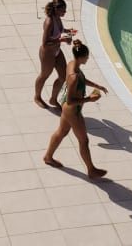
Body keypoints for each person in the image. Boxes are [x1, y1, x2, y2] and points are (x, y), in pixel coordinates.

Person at [43, 40, 108, 178]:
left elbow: (82, 80)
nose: (88, 58)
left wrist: (97, 85)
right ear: (81, 57)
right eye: (86, 57)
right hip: (73, 111)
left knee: (61, 132)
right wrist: (89, 99)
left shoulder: (72, 64)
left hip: (68, 109)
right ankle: (91, 169)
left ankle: (48, 157)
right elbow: (71, 100)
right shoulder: (74, 77)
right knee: (84, 141)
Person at [34, 0, 74, 108]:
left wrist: (67, 31)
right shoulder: (49, 22)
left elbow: (58, 30)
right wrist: (62, 40)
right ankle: (37, 97)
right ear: (56, 9)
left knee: (63, 76)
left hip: (57, 50)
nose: (65, 12)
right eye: (63, 10)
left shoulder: (57, 17)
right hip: (47, 54)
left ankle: (53, 99)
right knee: (44, 75)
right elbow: (45, 43)